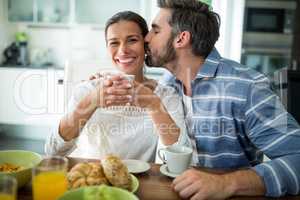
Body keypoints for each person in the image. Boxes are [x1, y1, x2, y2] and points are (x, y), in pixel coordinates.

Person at [145, 0, 300, 199]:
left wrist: (227, 184)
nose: (146, 38)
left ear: (181, 38)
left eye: (155, 31)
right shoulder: (167, 85)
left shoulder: (246, 87)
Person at [45, 11, 190, 162]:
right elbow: (52, 151)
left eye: (132, 40)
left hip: (140, 184)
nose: (123, 50)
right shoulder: (86, 91)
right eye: (114, 42)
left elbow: (178, 161)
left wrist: (153, 104)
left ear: (146, 45)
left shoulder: (166, 96)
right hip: (92, 180)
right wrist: (91, 102)